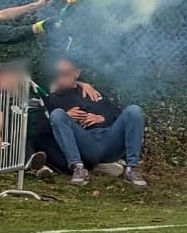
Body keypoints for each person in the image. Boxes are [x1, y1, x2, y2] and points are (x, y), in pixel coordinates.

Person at [44, 55, 148, 188]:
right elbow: (46, 125)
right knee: (57, 114)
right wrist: (67, 115)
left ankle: (132, 168)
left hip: (110, 139)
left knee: (134, 110)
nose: (62, 77)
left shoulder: (92, 91)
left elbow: (117, 113)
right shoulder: (53, 99)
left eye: (66, 73)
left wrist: (103, 118)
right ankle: (78, 168)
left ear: (77, 73)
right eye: (58, 74)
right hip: (86, 142)